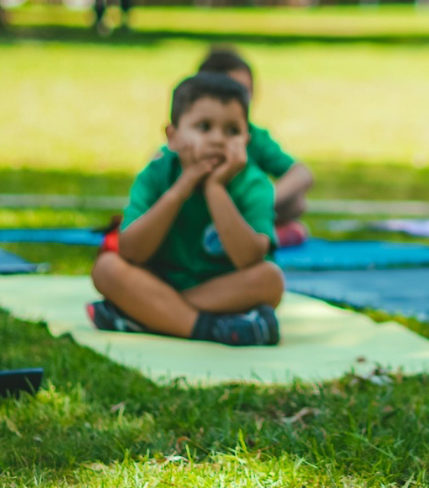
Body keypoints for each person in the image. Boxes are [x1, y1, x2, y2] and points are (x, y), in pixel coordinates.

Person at [86, 72, 283, 346]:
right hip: (158, 281)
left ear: (247, 140)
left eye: (232, 131)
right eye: (204, 127)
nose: (218, 139)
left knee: (271, 279)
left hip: (221, 290)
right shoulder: (156, 174)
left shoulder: (254, 182)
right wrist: (182, 188)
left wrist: (215, 189)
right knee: (106, 268)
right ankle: (211, 329)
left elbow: (248, 259)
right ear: (173, 136)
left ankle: (146, 315)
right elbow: (131, 251)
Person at [197, 46, 315, 246]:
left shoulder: (255, 137)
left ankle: (248, 236)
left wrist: (260, 202)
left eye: (247, 92)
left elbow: (302, 173)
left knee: (297, 203)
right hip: (197, 214)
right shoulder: (189, 136)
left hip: (246, 212)